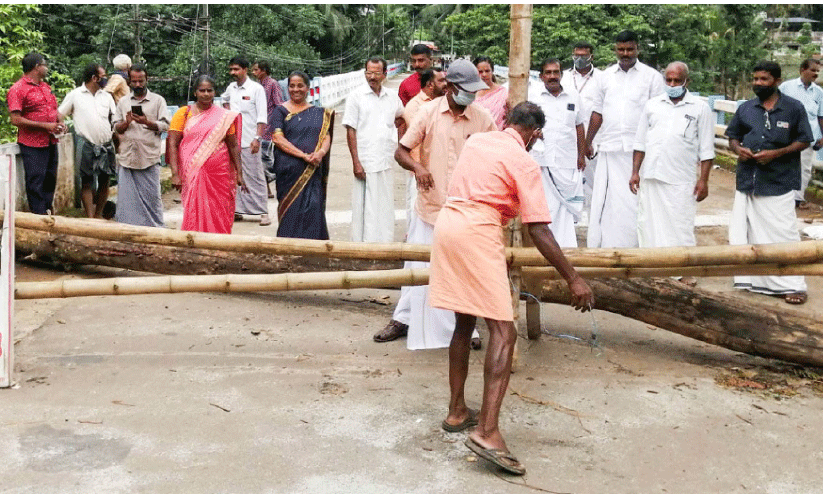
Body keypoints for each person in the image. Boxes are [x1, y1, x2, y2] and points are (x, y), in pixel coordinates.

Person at [430, 102, 594, 476]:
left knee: (463, 323)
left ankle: (458, 412)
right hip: (477, 231)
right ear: (534, 133)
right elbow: (538, 228)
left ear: (507, 123)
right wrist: (573, 278)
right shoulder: (524, 162)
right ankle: (487, 431)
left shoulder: (478, 142)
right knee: (504, 330)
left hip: (448, 225)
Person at [375, 59, 495, 350]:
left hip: (466, 210)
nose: (472, 95)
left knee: (463, 270)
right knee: (420, 269)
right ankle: (406, 319)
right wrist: (418, 168)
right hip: (431, 207)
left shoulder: (481, 117)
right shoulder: (428, 113)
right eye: (467, 90)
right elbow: (401, 151)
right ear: (451, 87)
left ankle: (464, 328)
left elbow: (497, 151)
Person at [726, 61, 813, 305]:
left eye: (763, 79)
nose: (758, 84)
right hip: (749, 180)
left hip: (779, 180)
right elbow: (733, 136)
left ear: (776, 80)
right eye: (755, 79)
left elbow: (805, 139)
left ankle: (793, 284)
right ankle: (755, 281)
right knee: (750, 233)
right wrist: (738, 150)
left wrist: (776, 153)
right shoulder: (746, 108)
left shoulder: (793, 108)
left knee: (783, 233)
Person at [630, 62, 715, 286]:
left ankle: (684, 270)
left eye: (677, 80)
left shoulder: (700, 108)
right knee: (648, 223)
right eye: (668, 80)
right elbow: (640, 142)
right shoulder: (652, 105)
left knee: (681, 225)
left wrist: (703, 180)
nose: (672, 84)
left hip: (681, 178)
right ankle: (652, 268)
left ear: (687, 81)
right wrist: (635, 172)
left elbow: (707, 149)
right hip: (652, 175)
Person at [585, 30, 665, 248]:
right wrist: (587, 140)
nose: (625, 53)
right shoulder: (604, 77)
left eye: (629, 49)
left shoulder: (652, 78)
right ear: (615, 50)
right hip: (610, 148)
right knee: (609, 201)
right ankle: (611, 246)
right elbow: (597, 112)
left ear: (637, 48)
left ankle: (641, 246)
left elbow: (659, 115)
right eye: (621, 49)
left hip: (640, 150)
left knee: (637, 200)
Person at [166, 76, 244, 234]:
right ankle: (194, 244)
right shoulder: (183, 113)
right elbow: (172, 144)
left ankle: (218, 246)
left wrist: (239, 172)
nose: (206, 94)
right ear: (195, 92)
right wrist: (175, 174)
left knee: (220, 209)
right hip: (192, 172)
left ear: (215, 92)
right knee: (194, 208)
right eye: (202, 90)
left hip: (220, 175)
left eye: (210, 90)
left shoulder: (224, 116)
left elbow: (233, 145)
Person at [343, 57, 405, 243]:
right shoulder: (356, 96)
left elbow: (402, 118)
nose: (372, 77)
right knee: (364, 205)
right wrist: (356, 162)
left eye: (376, 73)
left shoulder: (392, 96)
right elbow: (350, 130)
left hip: (385, 158)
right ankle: (363, 245)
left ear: (385, 74)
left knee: (384, 203)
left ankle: (384, 243)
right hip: (365, 159)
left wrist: (397, 141)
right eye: (368, 73)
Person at [528, 58, 586, 247]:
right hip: (541, 162)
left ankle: (566, 248)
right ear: (541, 75)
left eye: (556, 72)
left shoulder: (573, 96)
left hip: (566, 160)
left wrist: (581, 154)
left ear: (561, 74)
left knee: (565, 208)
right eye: (548, 72)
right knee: (546, 208)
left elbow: (579, 126)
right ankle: (545, 249)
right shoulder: (533, 96)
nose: (553, 76)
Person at [269, 71, 334, 240]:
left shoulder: (319, 113)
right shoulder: (280, 111)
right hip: (289, 171)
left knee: (313, 207)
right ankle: (288, 248)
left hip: (313, 168)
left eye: (300, 86)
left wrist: (319, 153)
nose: (295, 89)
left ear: (307, 88)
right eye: (292, 86)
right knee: (290, 209)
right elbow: (278, 138)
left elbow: (326, 136)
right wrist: (303, 156)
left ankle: (313, 250)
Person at [7, 52, 67, 215]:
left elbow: (52, 112)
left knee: (50, 180)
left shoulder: (45, 87)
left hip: (50, 141)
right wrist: (45, 125)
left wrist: (59, 123)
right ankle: (38, 219)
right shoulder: (17, 89)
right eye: (44, 64)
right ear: (36, 67)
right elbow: (16, 119)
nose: (47, 67)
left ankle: (47, 213)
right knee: (36, 182)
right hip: (32, 144)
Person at [112, 64, 171, 227]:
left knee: (152, 200)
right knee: (126, 202)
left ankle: (155, 232)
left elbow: (166, 125)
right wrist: (127, 122)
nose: (138, 85)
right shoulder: (123, 102)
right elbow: (116, 127)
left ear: (147, 80)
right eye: (134, 81)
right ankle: (128, 232)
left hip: (149, 158)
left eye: (141, 81)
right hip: (127, 159)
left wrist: (147, 122)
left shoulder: (158, 100)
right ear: (129, 81)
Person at [59, 63, 117, 219]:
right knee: (87, 181)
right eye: (103, 76)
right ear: (94, 78)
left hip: (106, 144)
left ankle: (98, 215)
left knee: (105, 180)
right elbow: (59, 115)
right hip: (86, 143)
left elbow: (115, 118)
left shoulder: (107, 96)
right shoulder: (75, 95)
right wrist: (60, 126)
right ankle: (90, 217)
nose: (106, 79)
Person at [222, 56, 270, 226]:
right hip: (233, 140)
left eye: (236, 69)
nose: (232, 73)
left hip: (250, 141)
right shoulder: (231, 88)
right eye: (231, 69)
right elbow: (224, 100)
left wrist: (258, 138)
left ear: (245, 70)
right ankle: (238, 211)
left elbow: (262, 116)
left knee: (255, 176)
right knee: (235, 176)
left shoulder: (256, 89)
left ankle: (263, 212)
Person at [401, 67, 447, 229]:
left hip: (438, 168)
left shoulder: (443, 104)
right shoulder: (416, 107)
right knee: (417, 213)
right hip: (419, 168)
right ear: (430, 85)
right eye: (441, 80)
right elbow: (414, 142)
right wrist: (418, 168)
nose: (446, 84)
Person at [561, 41, 603, 208]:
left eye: (583, 56)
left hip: (594, 141)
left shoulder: (602, 78)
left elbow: (601, 112)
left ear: (591, 56)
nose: (579, 59)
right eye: (576, 55)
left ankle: (594, 226)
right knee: (569, 183)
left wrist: (589, 141)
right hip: (567, 139)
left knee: (594, 184)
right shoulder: (564, 77)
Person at [778, 59, 823, 208]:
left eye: (818, 71)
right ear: (802, 70)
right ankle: (780, 196)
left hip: (808, 137)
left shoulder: (819, 92)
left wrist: (822, 136)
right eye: (813, 70)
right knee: (783, 166)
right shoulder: (786, 87)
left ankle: (797, 200)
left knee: (804, 169)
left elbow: (820, 116)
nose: (816, 74)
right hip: (786, 136)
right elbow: (776, 108)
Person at [252, 60, 285, 199]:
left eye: (256, 70)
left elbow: (279, 104)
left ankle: (277, 184)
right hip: (259, 127)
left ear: (264, 71)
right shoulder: (257, 86)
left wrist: (278, 123)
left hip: (269, 126)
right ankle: (267, 190)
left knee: (266, 158)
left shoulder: (272, 84)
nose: (253, 73)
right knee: (259, 159)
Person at [473, 56, 508, 130]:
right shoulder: (471, 93)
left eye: (487, 71)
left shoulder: (503, 93)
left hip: (497, 137)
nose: (484, 75)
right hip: (475, 137)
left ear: (492, 71)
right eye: (480, 72)